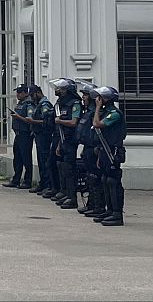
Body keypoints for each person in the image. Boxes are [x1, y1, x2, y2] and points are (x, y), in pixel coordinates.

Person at [91, 86, 126, 226]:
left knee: (113, 181)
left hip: (113, 151)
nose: (98, 100)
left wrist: (97, 107)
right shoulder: (106, 112)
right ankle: (109, 210)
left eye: (100, 98)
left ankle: (117, 214)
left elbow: (96, 124)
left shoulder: (114, 114)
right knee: (105, 179)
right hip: (105, 150)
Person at [75, 81, 105, 217]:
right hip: (87, 148)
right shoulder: (87, 112)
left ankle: (98, 206)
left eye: (86, 95)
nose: (83, 97)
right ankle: (91, 204)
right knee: (89, 178)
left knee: (95, 178)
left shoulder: (97, 113)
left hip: (95, 149)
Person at [51, 78, 82, 209]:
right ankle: (65, 192)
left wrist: (60, 121)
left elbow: (74, 122)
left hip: (71, 140)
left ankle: (72, 197)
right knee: (61, 166)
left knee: (69, 168)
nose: (59, 91)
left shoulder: (75, 104)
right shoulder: (61, 104)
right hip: (63, 139)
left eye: (62, 89)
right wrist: (59, 144)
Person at [22, 84, 55, 196]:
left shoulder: (45, 105)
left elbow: (46, 121)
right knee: (41, 161)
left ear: (38, 93)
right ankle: (43, 183)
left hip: (44, 136)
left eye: (32, 95)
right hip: (39, 135)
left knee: (45, 161)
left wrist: (33, 121)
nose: (31, 98)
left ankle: (48, 184)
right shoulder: (38, 104)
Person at [3, 84, 34, 189]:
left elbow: (30, 120)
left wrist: (18, 117)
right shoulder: (20, 104)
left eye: (20, 92)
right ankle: (16, 179)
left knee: (26, 158)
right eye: (17, 92)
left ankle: (27, 181)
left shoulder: (29, 105)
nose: (18, 94)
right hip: (18, 134)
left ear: (26, 93)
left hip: (25, 135)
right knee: (17, 159)